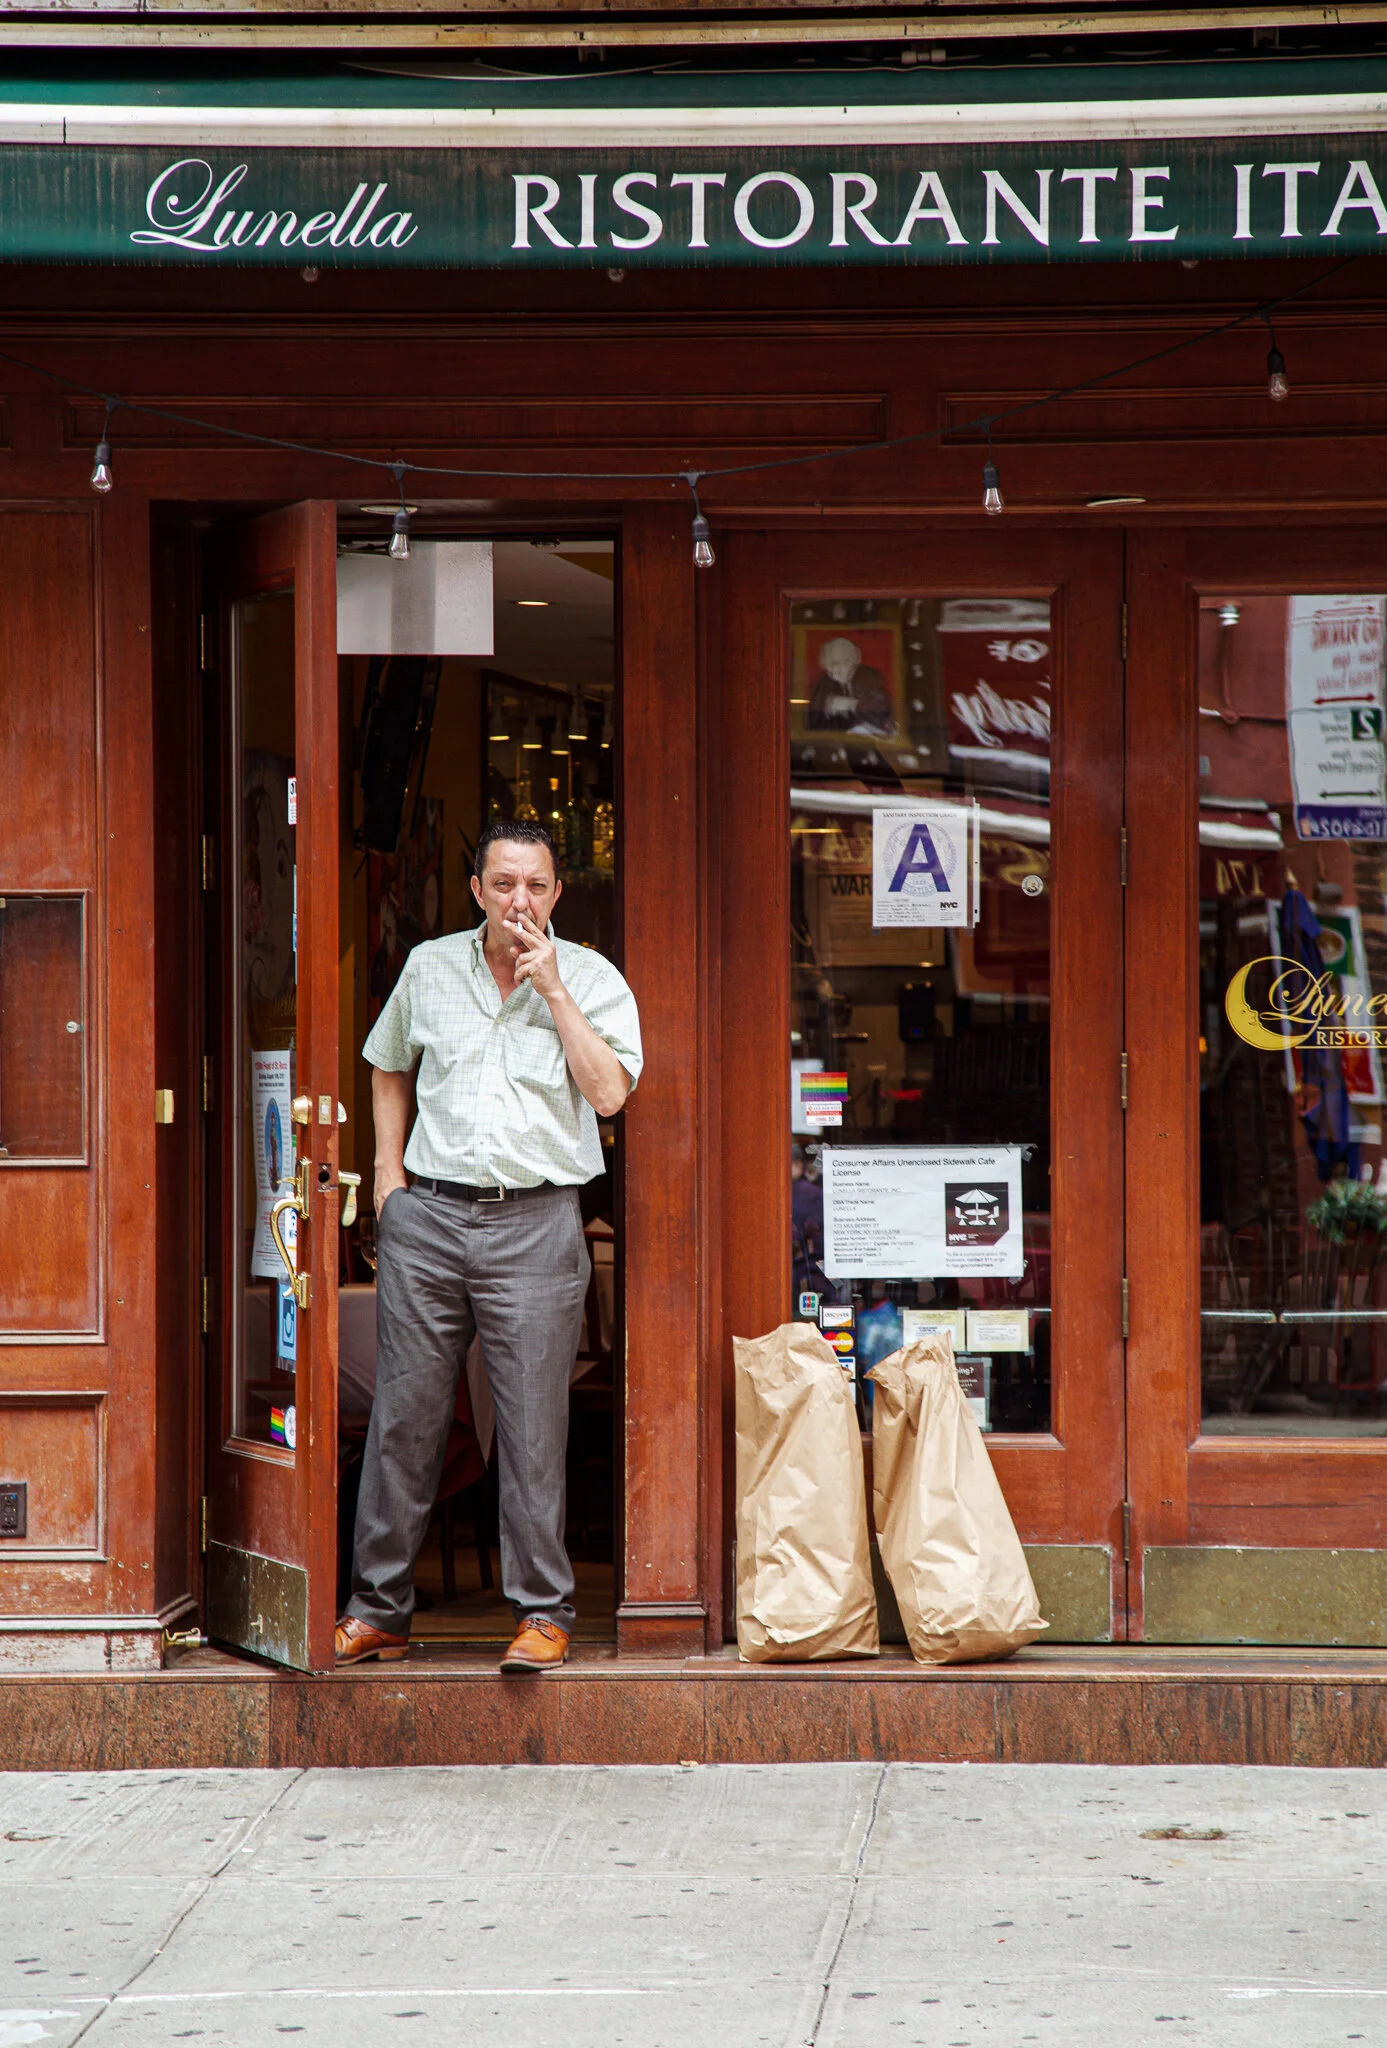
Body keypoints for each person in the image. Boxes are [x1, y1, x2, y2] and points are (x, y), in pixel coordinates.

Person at [335, 818, 643, 1673]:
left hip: (537, 1222)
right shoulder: (430, 965)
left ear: (556, 895)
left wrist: (554, 993)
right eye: (503, 884)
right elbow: (388, 1062)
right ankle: (378, 1611)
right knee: (405, 1419)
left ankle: (541, 1613)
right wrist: (386, 1178)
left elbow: (611, 1094)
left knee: (533, 1426)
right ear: (476, 891)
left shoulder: (588, 978)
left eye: (536, 886)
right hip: (427, 1217)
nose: (519, 901)